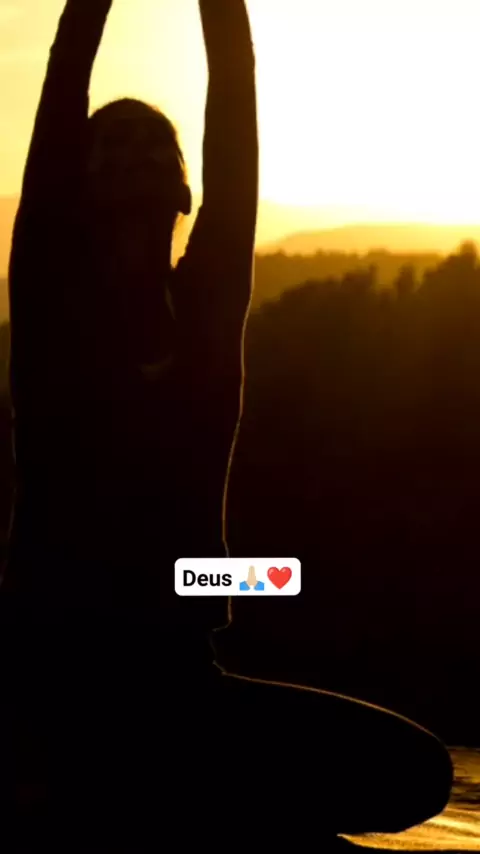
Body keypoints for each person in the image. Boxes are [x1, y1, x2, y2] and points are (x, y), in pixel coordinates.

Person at [0, 1, 452, 849]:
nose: (137, 156)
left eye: (155, 147)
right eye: (112, 147)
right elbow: (64, 81)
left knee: (416, 771)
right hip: (50, 670)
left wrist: (248, 580)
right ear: (79, 189)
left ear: (184, 188)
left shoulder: (207, 309)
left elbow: (234, 101)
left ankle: (140, 788)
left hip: (176, 677)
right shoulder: (52, 303)